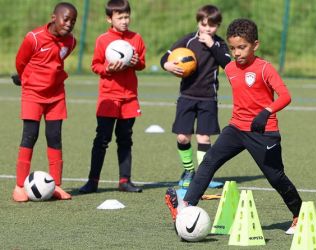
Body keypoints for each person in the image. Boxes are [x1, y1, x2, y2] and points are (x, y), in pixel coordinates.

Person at [165, 18, 303, 235]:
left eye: (242, 47)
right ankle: (186, 205)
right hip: (236, 129)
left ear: (255, 45)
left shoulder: (265, 68)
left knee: (275, 177)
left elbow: (286, 96)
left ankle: (299, 215)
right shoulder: (229, 68)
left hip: (263, 132)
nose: (237, 52)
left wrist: (266, 112)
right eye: (233, 48)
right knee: (210, 160)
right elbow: (219, 66)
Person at [160, 5, 231, 189]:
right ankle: (188, 170)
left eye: (212, 26)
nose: (207, 29)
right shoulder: (188, 40)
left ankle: (203, 175)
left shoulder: (219, 44)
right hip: (187, 96)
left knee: (204, 139)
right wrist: (167, 66)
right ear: (198, 22)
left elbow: (227, 63)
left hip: (208, 98)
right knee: (183, 137)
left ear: (218, 26)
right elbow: (165, 57)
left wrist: (211, 44)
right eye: (204, 24)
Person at [12, 2, 78, 202]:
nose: (69, 24)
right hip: (33, 94)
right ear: (53, 17)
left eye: (73, 21)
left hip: (56, 95)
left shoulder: (71, 42)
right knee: (29, 136)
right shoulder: (33, 38)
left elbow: (58, 62)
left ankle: (56, 185)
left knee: (54, 137)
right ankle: (19, 186)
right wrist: (29, 81)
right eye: (65, 19)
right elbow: (20, 62)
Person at [79, 0, 145, 194]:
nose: (125, 21)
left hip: (129, 98)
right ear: (109, 18)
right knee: (102, 139)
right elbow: (95, 65)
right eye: (120, 17)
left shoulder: (136, 38)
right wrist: (107, 68)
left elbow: (142, 64)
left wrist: (135, 62)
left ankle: (125, 181)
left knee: (125, 139)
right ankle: (92, 181)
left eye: (127, 17)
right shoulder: (103, 40)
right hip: (108, 97)